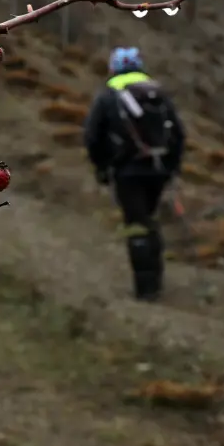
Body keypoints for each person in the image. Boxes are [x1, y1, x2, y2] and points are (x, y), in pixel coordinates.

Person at [83, 47, 185, 301]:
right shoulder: (158, 93)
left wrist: (101, 168)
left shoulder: (108, 95)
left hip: (126, 170)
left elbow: (92, 136)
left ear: (113, 68)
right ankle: (156, 279)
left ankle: (146, 289)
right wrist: (171, 168)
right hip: (158, 169)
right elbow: (179, 135)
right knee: (149, 218)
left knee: (136, 224)